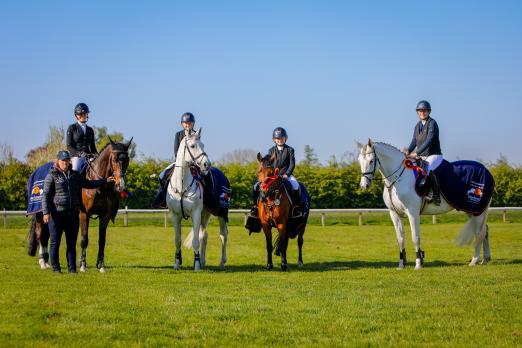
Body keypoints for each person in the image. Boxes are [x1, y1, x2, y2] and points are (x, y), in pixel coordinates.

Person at [42, 150, 114, 273]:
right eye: (63, 161)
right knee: (55, 242)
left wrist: (105, 181)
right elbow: (46, 195)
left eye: (67, 160)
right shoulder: (52, 175)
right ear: (58, 162)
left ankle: (72, 269)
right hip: (57, 213)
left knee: (71, 243)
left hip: (72, 213)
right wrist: (45, 212)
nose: (65, 163)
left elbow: (89, 183)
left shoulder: (75, 175)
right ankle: (56, 268)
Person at [250, 127, 302, 218]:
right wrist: (262, 160)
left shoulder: (290, 150)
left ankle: (296, 208)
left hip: (286, 175)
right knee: (256, 186)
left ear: (286, 138)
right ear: (274, 140)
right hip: (274, 176)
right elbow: (268, 161)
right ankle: (255, 207)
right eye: (277, 138)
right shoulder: (271, 150)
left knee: (296, 185)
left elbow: (292, 164)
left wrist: (287, 174)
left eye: (281, 138)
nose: (279, 140)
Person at [151, 112, 196, 208]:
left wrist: (192, 162)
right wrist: (182, 161)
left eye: (190, 123)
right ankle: (161, 199)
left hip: (193, 163)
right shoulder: (178, 134)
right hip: (179, 163)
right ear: (182, 124)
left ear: (193, 124)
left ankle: (209, 199)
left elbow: (197, 150)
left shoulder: (196, 135)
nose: (187, 125)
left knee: (206, 176)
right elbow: (176, 151)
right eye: (185, 123)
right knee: (162, 175)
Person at [405, 100, 442, 205]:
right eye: (420, 111)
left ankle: (435, 195)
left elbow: (429, 140)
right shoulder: (417, 126)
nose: (422, 113)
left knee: (427, 167)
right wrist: (408, 151)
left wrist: (416, 153)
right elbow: (414, 141)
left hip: (434, 155)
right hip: (422, 156)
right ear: (417, 112)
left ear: (429, 112)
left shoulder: (432, 123)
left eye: (424, 111)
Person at [66, 102, 98, 172]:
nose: (83, 116)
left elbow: (93, 147)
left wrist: (97, 155)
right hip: (76, 157)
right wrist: (79, 154)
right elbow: (69, 146)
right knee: (75, 170)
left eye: (85, 114)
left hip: (89, 157)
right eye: (81, 114)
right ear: (77, 116)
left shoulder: (90, 130)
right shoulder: (72, 128)